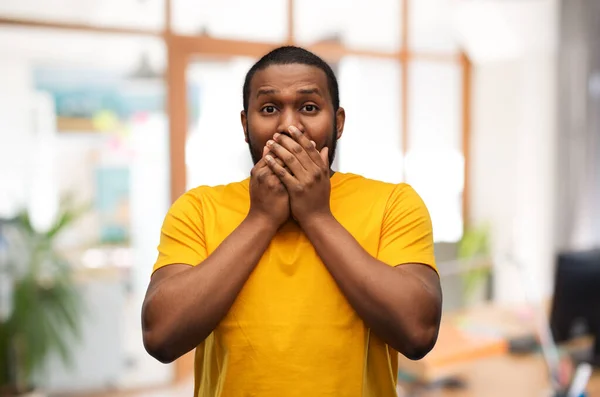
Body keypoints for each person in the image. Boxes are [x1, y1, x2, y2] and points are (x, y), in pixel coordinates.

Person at [141, 46, 442, 397]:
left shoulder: (394, 203)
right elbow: (161, 337)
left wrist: (316, 215)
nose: (288, 126)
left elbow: (418, 333)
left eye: (309, 107)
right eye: (269, 109)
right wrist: (261, 219)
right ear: (244, 124)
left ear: (338, 122)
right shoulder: (198, 208)